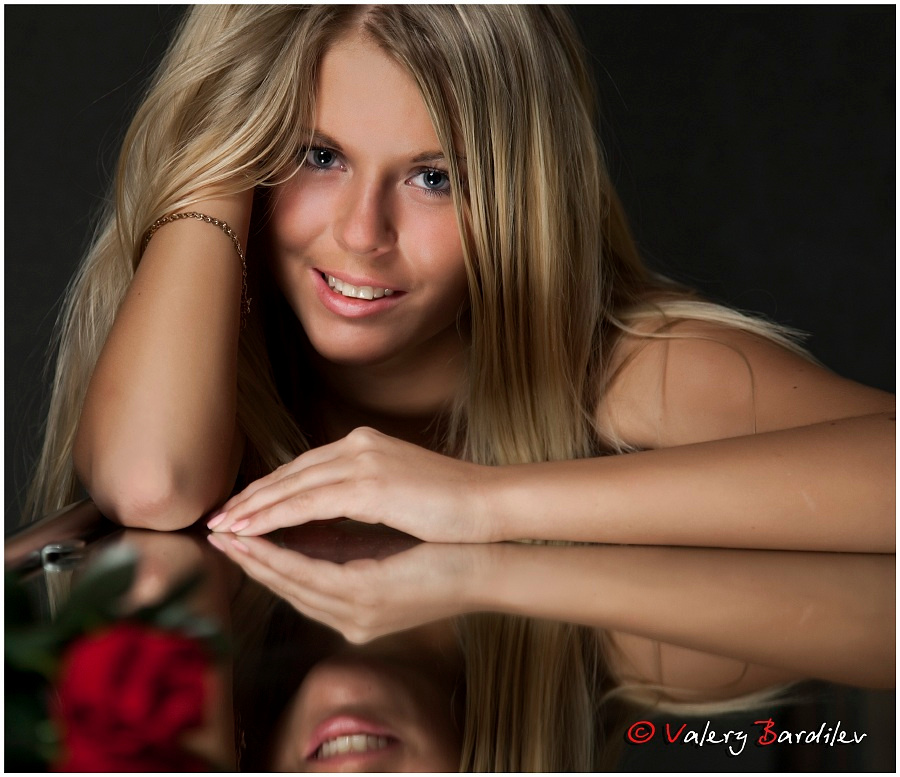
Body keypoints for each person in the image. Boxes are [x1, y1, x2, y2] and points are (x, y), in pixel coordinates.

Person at [25, 5, 893, 767]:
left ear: (518, 204)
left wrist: (482, 503)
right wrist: (214, 154)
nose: (363, 233)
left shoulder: (622, 372)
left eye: (434, 178)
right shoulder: (196, 368)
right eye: (317, 155)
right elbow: (153, 482)